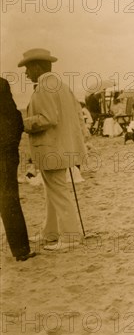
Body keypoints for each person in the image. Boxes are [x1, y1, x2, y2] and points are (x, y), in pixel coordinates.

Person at [18, 48, 87, 250]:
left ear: (37, 67)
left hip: (51, 149)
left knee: (58, 192)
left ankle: (71, 237)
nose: (26, 74)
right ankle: (50, 232)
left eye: (27, 69)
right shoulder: (62, 86)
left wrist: (23, 123)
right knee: (53, 191)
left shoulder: (43, 88)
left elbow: (48, 119)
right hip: (64, 147)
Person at [0, 77, 37, 261]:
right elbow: (14, 119)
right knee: (8, 198)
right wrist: (10, 146)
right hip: (3, 154)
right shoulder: (1, 84)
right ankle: (20, 250)